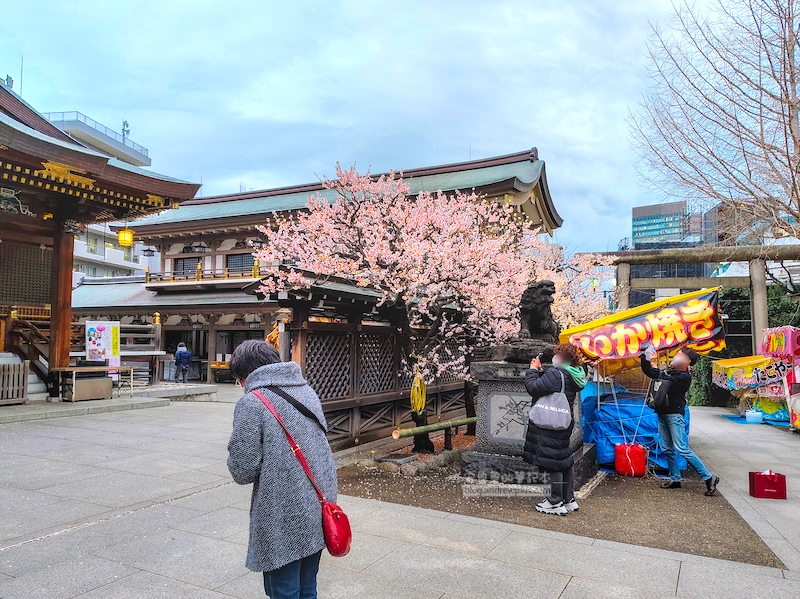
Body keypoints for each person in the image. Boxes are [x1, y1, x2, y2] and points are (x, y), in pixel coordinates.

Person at [227, 340, 337, 599]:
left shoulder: (252, 403)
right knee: (308, 587)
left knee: (284, 592)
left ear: (246, 375)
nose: (241, 386)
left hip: (283, 515)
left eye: (239, 379)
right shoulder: (306, 390)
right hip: (319, 505)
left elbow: (242, 470)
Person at [641, 346, 719, 496]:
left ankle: (709, 478)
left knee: (682, 448)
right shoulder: (670, 372)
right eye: (678, 353)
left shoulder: (684, 377)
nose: (677, 356)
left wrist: (656, 366)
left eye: (680, 355)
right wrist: (645, 358)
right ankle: (675, 478)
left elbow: (664, 379)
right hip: (662, 413)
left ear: (688, 362)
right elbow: (650, 372)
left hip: (674, 416)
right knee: (667, 448)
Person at [523, 344, 586, 516]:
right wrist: (541, 372)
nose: (554, 357)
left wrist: (532, 370)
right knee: (563, 459)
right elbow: (550, 386)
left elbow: (533, 388)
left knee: (549, 462)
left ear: (561, 357)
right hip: (563, 421)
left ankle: (554, 502)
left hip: (549, 423)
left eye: (556, 354)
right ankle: (568, 499)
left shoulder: (556, 374)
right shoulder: (574, 374)